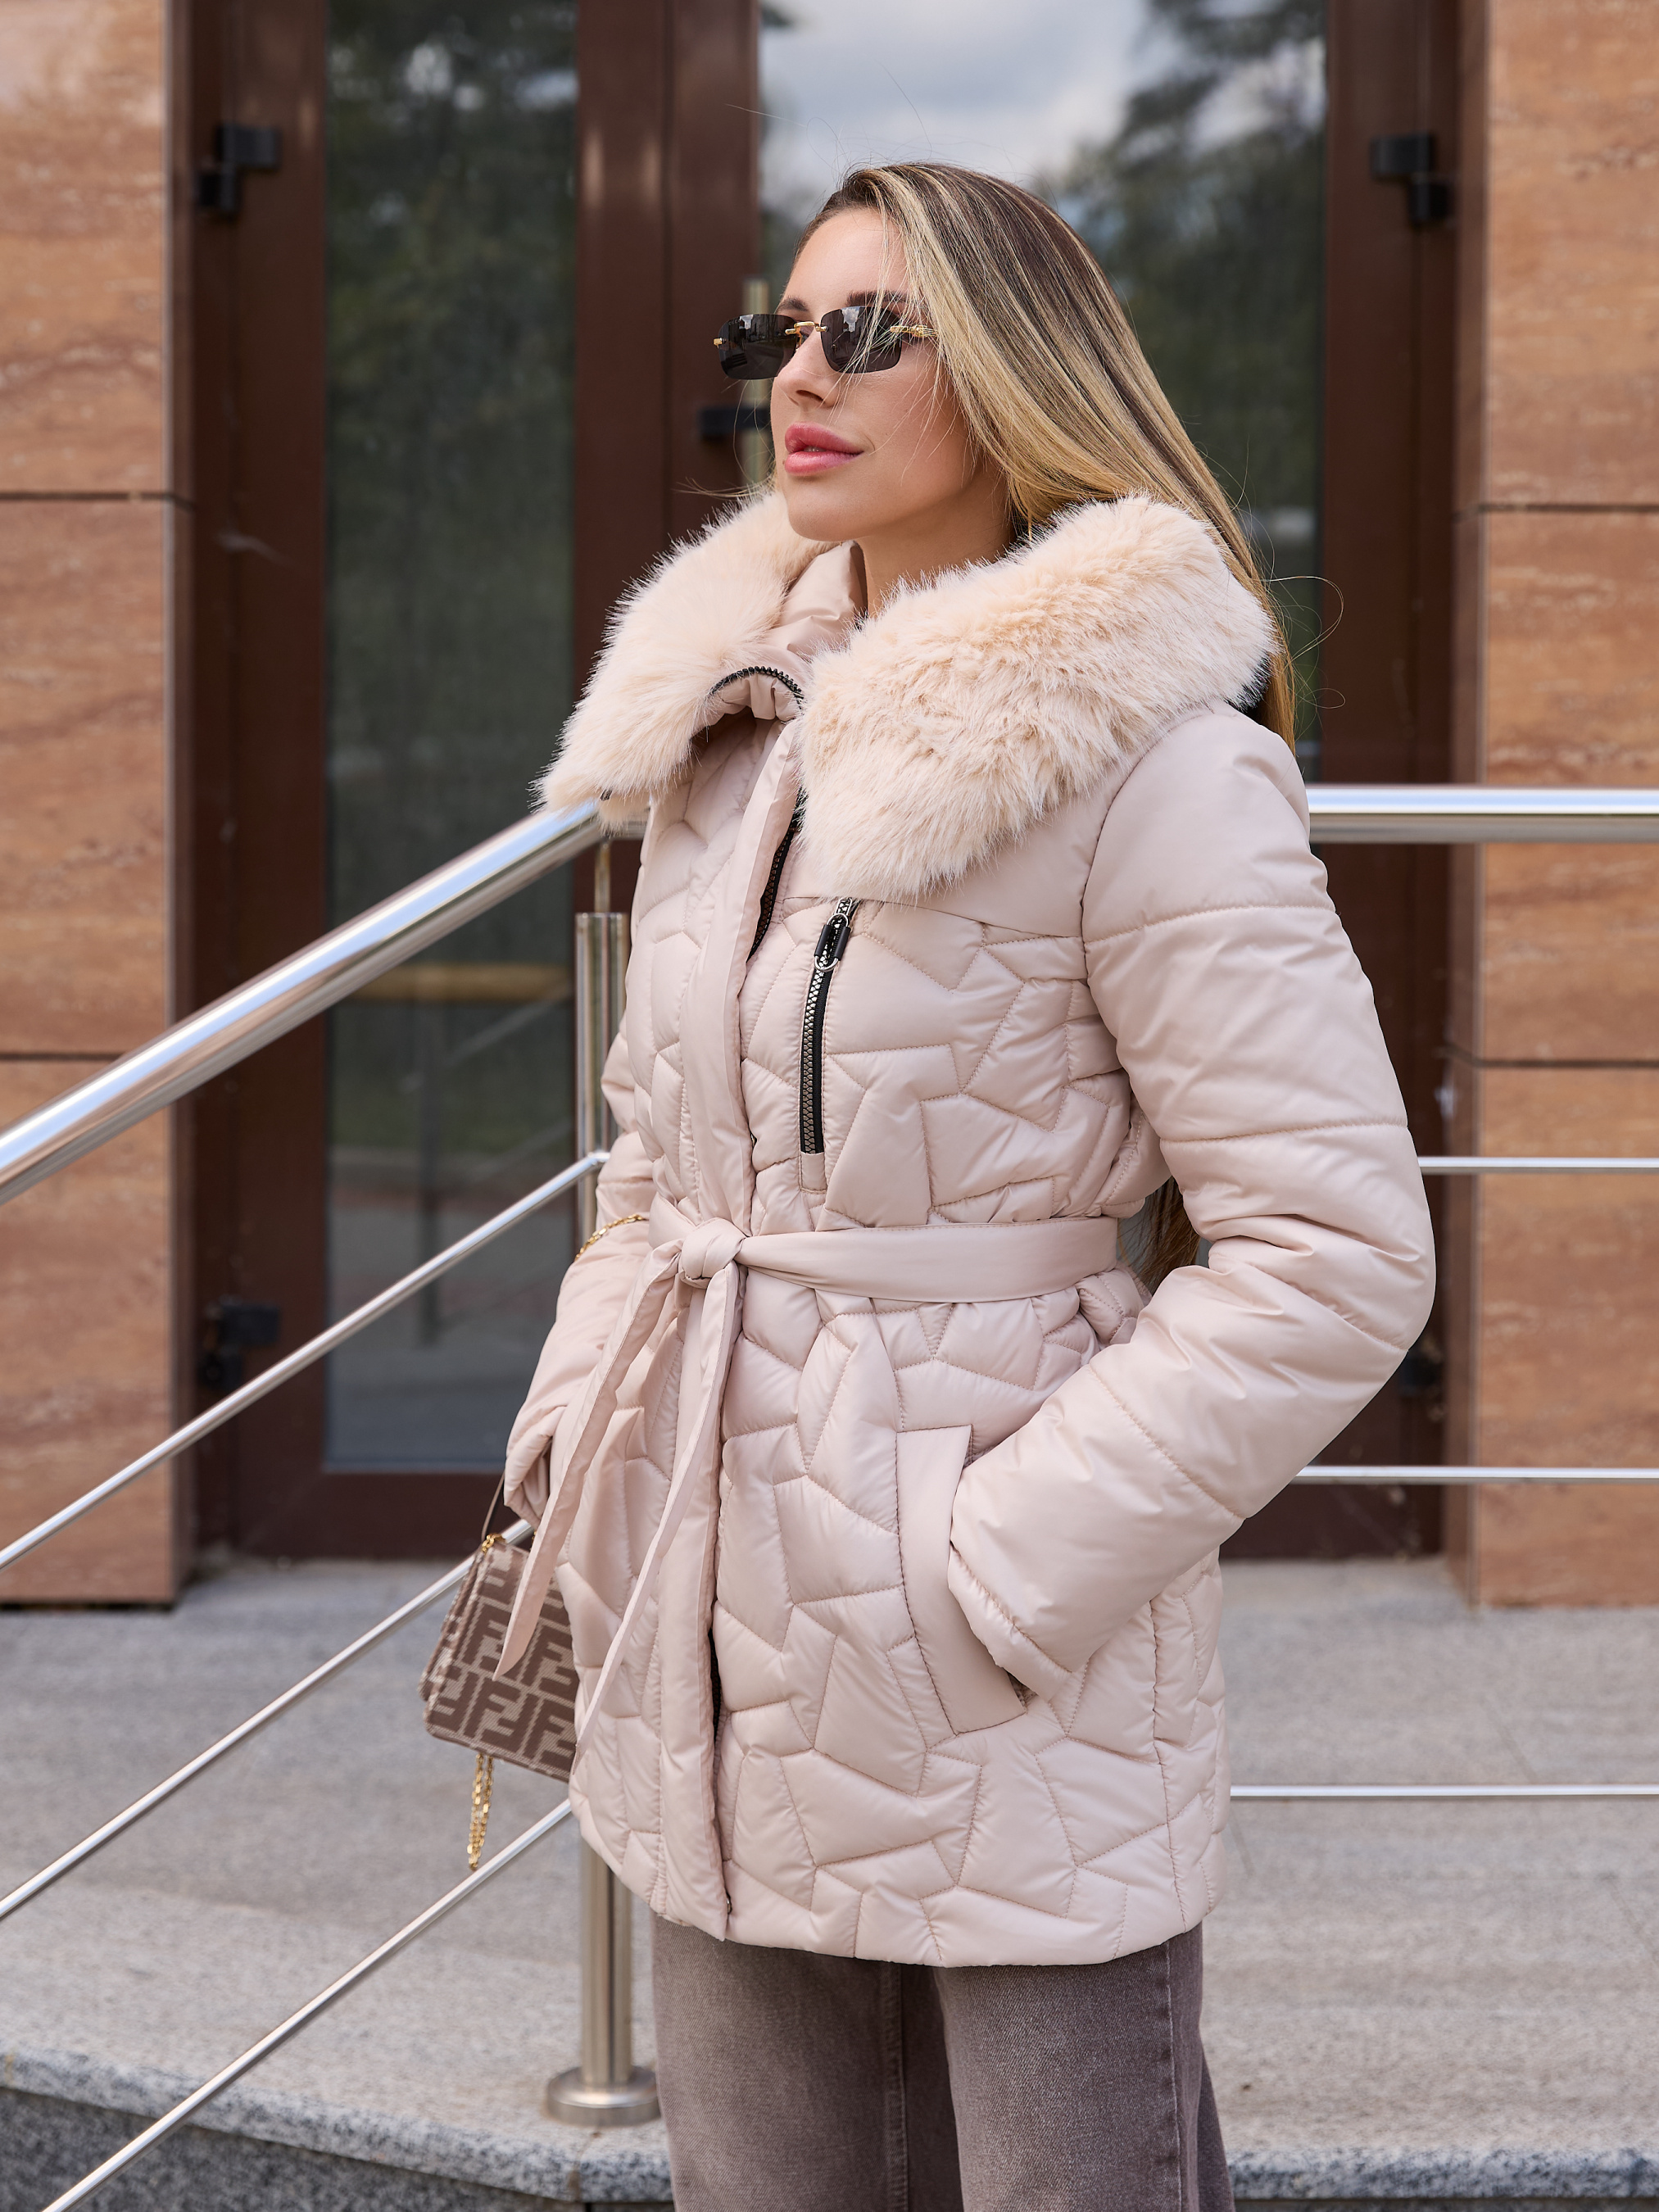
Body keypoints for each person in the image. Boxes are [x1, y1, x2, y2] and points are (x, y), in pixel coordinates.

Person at [494, 162, 1435, 2212]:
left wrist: (993, 1568)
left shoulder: (1149, 760)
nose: (797, 379)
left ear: (1014, 369)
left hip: (994, 1652)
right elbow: (659, 1159)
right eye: (775, 334)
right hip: (715, 1615)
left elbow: (1333, 1251)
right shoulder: (728, 739)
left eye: (865, 332)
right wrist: (581, 1424)